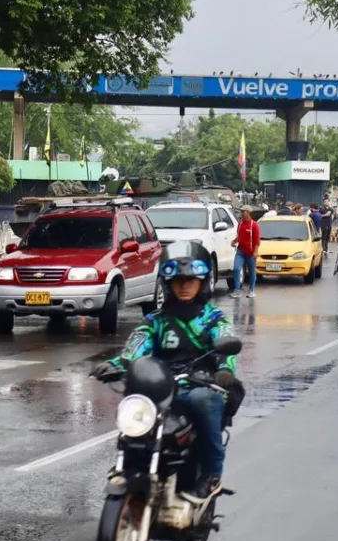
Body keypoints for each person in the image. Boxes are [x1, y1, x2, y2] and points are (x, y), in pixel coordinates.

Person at [92, 241, 239, 498]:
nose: (184, 285)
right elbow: (136, 346)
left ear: (202, 282)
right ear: (167, 283)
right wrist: (117, 365)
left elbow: (225, 340)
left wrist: (225, 369)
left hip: (201, 384)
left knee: (204, 401)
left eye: (191, 280)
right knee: (133, 404)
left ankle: (212, 474)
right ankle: (126, 464)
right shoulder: (155, 320)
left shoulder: (213, 318)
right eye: (178, 280)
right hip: (161, 386)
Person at [231, 205, 259, 298]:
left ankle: (252, 290)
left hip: (250, 253)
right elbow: (239, 236)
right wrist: (234, 241)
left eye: (243, 211)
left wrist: (255, 252)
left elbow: (257, 240)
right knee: (236, 269)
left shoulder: (254, 225)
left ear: (248, 213)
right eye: (241, 211)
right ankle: (237, 290)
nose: (242, 213)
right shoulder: (240, 224)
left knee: (251, 272)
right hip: (241, 251)